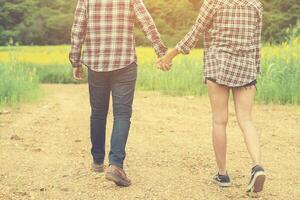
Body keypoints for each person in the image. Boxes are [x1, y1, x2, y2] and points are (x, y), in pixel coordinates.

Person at [158, 0, 266, 193]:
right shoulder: (254, 4)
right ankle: (257, 166)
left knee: (219, 121)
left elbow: (194, 34)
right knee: (247, 120)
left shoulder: (214, 2)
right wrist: (255, 70)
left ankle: (222, 175)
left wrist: (169, 56)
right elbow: (256, 43)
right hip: (246, 68)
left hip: (219, 65)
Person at [69, 0, 167, 187]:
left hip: (96, 62)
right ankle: (115, 165)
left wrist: (75, 61)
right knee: (122, 113)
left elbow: (78, 28)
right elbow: (146, 21)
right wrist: (160, 50)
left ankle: (97, 161)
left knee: (98, 112)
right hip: (124, 61)